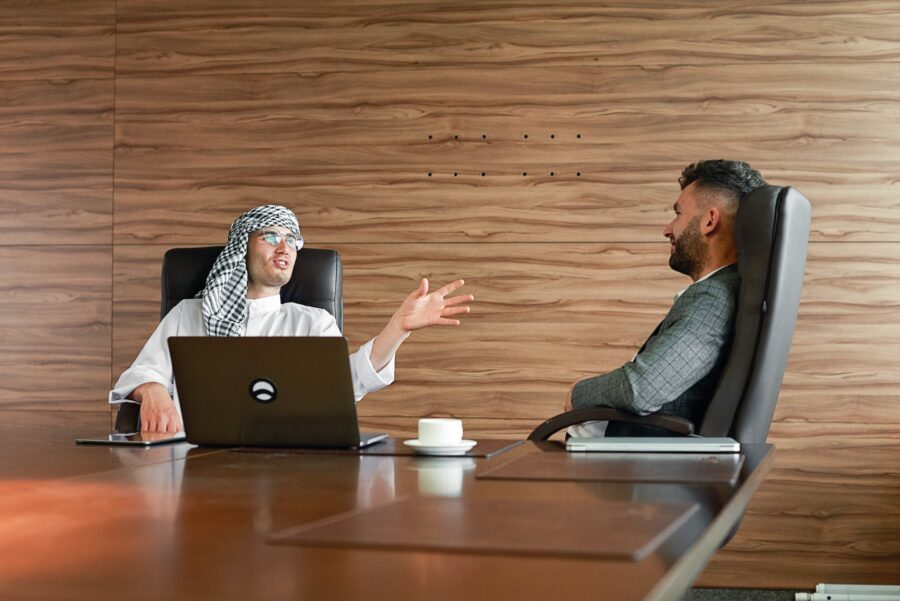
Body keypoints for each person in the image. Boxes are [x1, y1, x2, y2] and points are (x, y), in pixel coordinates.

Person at [110, 205, 474, 433]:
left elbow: (347, 383)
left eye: (292, 240)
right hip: (186, 462)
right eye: (271, 236)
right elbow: (141, 373)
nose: (284, 248)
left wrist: (398, 328)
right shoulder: (188, 313)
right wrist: (154, 390)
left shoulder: (311, 323)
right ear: (241, 249)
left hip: (286, 466)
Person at [565, 160, 766, 437]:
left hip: (623, 468)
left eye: (678, 214)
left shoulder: (714, 298)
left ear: (709, 221)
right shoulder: (726, 289)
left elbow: (642, 389)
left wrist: (577, 394)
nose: (668, 229)